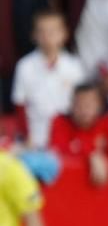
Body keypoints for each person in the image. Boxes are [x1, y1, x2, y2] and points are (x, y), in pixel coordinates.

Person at [11, 9, 86, 149]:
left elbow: (81, 104)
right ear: (34, 35)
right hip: (35, 138)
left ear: (64, 34)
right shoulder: (24, 66)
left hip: (67, 138)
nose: (47, 37)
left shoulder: (75, 67)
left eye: (52, 31)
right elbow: (20, 105)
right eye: (42, 32)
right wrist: (27, 136)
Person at [49, 81, 108, 186]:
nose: (84, 109)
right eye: (79, 104)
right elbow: (58, 154)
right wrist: (91, 156)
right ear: (71, 105)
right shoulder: (60, 122)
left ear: (99, 105)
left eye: (89, 104)